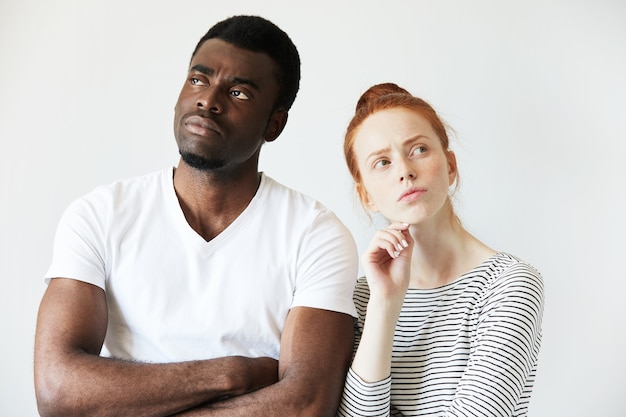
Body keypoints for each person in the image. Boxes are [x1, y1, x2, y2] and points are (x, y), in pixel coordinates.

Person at [34, 15, 358, 417]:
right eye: (198, 80)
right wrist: (233, 373)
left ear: (275, 123)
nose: (209, 100)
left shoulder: (316, 234)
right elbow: (57, 390)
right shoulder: (100, 215)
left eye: (238, 93)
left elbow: (306, 404)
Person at [336, 83, 544, 417]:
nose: (405, 170)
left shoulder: (509, 285)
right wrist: (385, 304)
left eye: (418, 149)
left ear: (449, 166)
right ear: (367, 196)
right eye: (382, 162)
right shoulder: (361, 298)